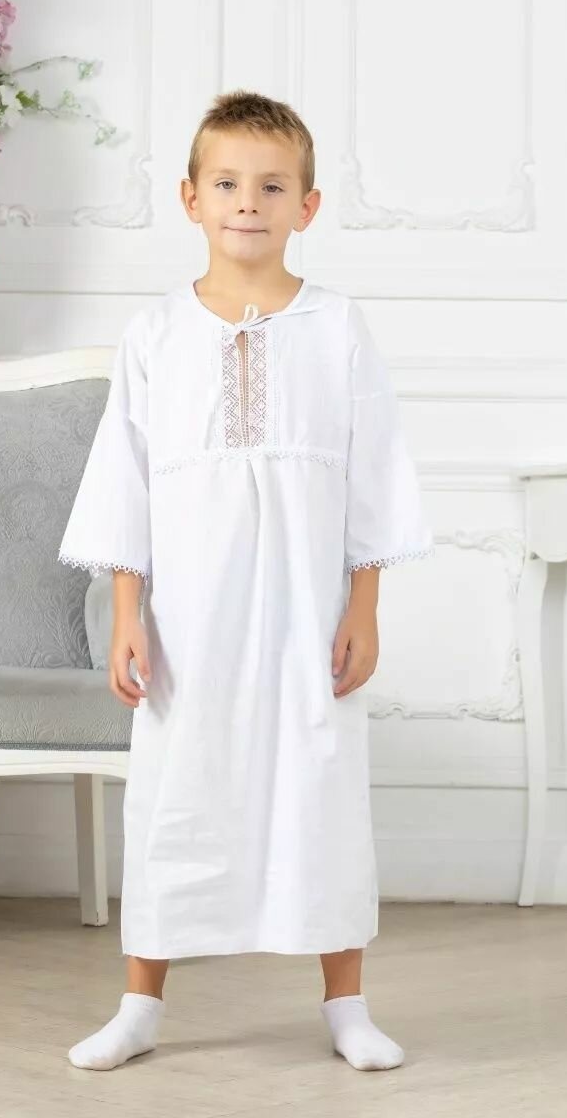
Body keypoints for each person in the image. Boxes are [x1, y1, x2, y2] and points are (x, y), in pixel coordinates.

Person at [57, 90, 434, 1072]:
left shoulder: (337, 327)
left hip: (307, 616)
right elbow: (127, 482)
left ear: (308, 205)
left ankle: (346, 1004)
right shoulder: (156, 334)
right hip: (190, 621)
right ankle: (140, 1005)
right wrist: (128, 615)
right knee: (174, 793)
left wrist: (365, 606)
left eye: (272, 186)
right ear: (191, 199)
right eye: (226, 184)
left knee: (322, 786)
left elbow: (373, 471)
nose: (248, 203)